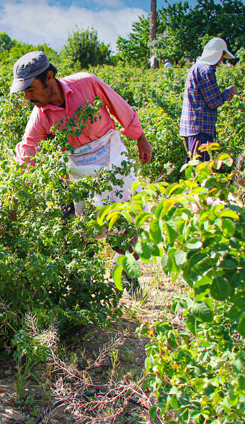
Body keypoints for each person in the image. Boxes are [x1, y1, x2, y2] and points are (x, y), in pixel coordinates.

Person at [10, 50, 153, 294]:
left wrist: (140, 138)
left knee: (127, 222)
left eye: (31, 89)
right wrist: (14, 199)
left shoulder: (87, 84)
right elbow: (27, 152)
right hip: (78, 170)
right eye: (24, 91)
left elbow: (119, 106)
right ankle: (82, 289)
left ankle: (129, 277)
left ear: (50, 77)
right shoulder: (40, 115)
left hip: (111, 156)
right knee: (78, 230)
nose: (27, 97)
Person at [179, 38, 237, 163]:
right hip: (200, 129)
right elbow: (214, 101)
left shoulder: (197, 67)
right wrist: (228, 91)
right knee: (202, 171)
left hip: (193, 128)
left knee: (194, 170)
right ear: (217, 54)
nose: (221, 60)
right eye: (222, 56)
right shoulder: (206, 71)